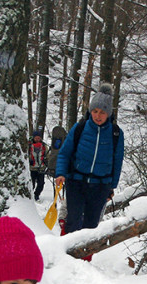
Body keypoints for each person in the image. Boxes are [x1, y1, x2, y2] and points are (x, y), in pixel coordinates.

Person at [54, 83, 125, 234]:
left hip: (100, 186)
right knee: (73, 220)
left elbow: (117, 161)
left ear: (109, 114)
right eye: (95, 111)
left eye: (102, 112)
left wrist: (111, 187)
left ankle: (85, 257)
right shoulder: (80, 128)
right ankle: (67, 254)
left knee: (92, 225)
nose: (98, 116)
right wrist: (60, 173)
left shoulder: (116, 134)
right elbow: (65, 152)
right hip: (76, 182)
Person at [29, 130, 48, 200]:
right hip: (32, 168)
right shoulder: (29, 146)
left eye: (38, 138)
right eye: (36, 138)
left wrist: (46, 163)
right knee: (32, 184)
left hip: (41, 168)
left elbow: (47, 155)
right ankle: (30, 195)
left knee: (41, 184)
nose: (37, 139)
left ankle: (36, 194)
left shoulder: (44, 146)